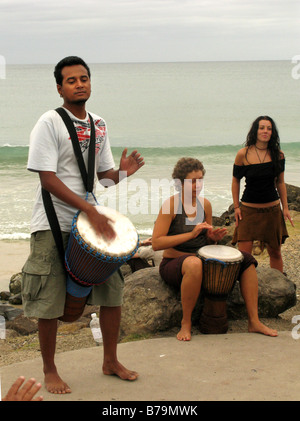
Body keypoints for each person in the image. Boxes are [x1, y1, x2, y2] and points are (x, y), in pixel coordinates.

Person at [21, 56, 144, 394]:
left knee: (113, 291)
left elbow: (100, 180)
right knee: (49, 299)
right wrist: (88, 211)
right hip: (51, 221)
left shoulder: (98, 123)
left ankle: (110, 360)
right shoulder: (49, 122)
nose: (79, 84)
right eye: (71, 80)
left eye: (84, 78)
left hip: (88, 218)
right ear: (60, 88)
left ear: (91, 82)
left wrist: (121, 174)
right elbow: (48, 179)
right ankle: (49, 369)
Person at [152, 157, 277, 341]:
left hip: (201, 261)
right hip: (175, 263)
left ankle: (254, 321)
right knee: (194, 263)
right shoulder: (170, 205)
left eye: (200, 180)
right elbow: (156, 243)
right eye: (192, 181)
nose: (197, 185)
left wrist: (213, 239)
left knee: (247, 260)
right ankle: (185, 323)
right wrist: (191, 234)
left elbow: (206, 241)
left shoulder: (205, 205)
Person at [231, 116, 294, 273]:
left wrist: (285, 208)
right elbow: (235, 181)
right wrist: (237, 207)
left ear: (272, 132)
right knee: (244, 255)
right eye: (262, 127)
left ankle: (280, 287)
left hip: (271, 211)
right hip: (248, 211)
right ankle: (243, 287)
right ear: (255, 130)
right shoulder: (243, 154)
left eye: (269, 128)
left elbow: (280, 182)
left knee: (275, 252)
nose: (265, 131)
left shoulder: (278, 155)